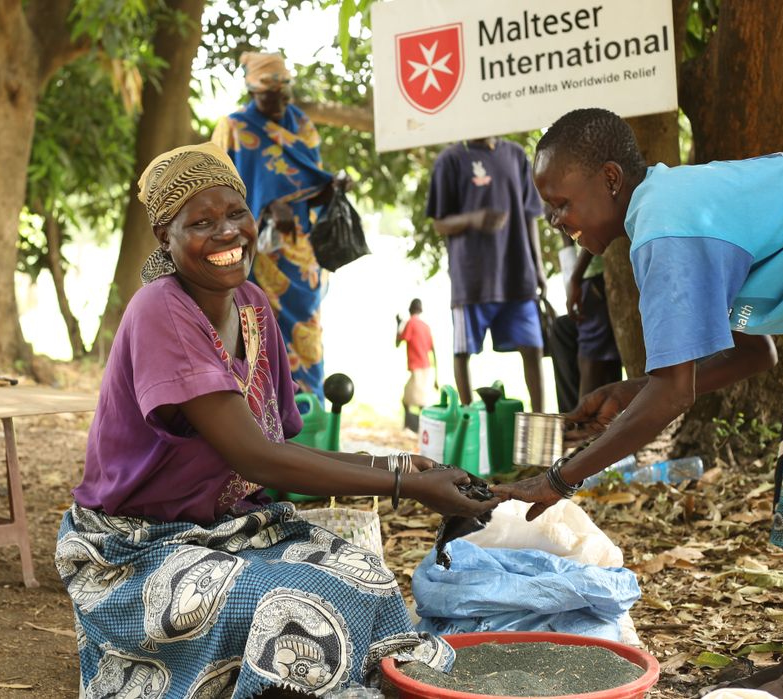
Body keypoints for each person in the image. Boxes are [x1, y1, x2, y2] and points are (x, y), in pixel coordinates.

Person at [56, 143, 496, 698]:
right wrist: (405, 484)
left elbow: (281, 452)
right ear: (164, 238)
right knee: (285, 608)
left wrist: (404, 462)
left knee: (365, 577)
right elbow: (256, 457)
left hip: (229, 532)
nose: (227, 233)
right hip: (134, 550)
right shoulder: (160, 311)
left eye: (236, 213)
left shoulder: (253, 306)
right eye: (201, 222)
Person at [495, 107, 783, 699]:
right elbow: (755, 356)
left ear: (611, 178)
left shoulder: (664, 227)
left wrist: (558, 479)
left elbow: (673, 394)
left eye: (562, 202)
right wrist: (631, 390)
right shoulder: (676, 203)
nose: (553, 219)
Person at [212, 51, 340, 402]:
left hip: (302, 254)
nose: (280, 99)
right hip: (255, 254)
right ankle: (263, 418)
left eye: (285, 90)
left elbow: (314, 189)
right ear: (253, 91)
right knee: (257, 333)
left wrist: (332, 188)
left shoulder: (304, 128)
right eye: (270, 93)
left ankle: (310, 415)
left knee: (307, 335)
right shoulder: (234, 129)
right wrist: (266, 209)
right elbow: (216, 191)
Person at [426, 136, 549, 410]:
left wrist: (537, 267)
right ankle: (470, 417)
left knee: (533, 348)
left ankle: (539, 419)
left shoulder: (516, 155)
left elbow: (530, 216)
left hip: (517, 273)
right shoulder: (452, 158)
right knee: (463, 351)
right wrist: (473, 219)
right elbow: (439, 223)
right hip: (471, 278)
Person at [550, 234, 622, 413]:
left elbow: (597, 231)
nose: (554, 221)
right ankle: (574, 417)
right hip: (590, 279)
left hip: (599, 278)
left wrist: (576, 277)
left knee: (591, 355)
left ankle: (582, 426)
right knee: (561, 330)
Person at [396, 298, 437, 432]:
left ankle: (415, 427)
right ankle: (415, 427)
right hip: (427, 367)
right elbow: (433, 351)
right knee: (418, 400)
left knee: (412, 400)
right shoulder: (426, 326)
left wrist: (398, 324)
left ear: (410, 309)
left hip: (417, 368)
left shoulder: (411, 323)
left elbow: (398, 342)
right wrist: (436, 376)